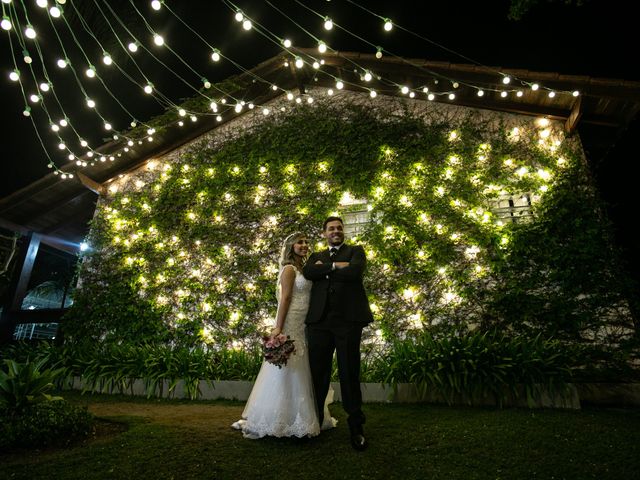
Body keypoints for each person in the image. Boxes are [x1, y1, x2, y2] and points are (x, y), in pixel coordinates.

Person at [232, 232, 336, 439]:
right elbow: (286, 298)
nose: (304, 245)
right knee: (289, 367)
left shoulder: (304, 268)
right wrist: (278, 328)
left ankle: (302, 415)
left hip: (304, 321)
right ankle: (281, 417)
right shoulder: (289, 269)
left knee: (302, 365)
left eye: (306, 242)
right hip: (291, 321)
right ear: (291, 246)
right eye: (300, 242)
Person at [303, 217, 374, 451]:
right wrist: (335, 267)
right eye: (331, 229)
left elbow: (354, 272)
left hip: (348, 322)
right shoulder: (315, 256)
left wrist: (326, 271)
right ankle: (315, 424)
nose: (336, 231)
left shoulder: (356, 251)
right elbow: (309, 272)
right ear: (324, 233)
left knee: (349, 373)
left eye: (339, 228)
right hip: (319, 323)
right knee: (317, 374)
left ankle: (356, 428)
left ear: (343, 232)